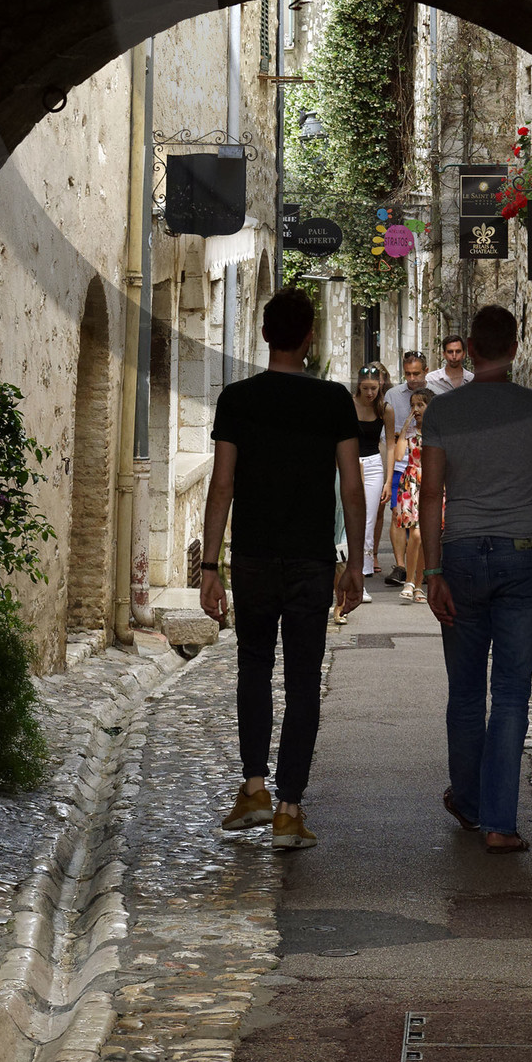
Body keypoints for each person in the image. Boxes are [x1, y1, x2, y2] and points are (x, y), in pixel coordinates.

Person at [200, 288, 365, 850]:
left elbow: (222, 484)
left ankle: (253, 788)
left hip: (250, 556)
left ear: (264, 334)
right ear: (309, 336)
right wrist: (356, 564)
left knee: (252, 668)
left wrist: (208, 564)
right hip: (310, 560)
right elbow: (350, 485)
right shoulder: (333, 402)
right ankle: (290, 810)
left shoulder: (238, 399)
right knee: (302, 682)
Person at [419, 302, 532, 853]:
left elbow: (431, 494)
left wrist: (432, 568)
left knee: (464, 692)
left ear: (472, 348)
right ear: (514, 349)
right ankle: (499, 823)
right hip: (520, 554)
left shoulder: (443, 412)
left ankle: (466, 801)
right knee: (510, 692)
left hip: (460, 555)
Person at [382, 353, 430, 581]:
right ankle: (401, 567)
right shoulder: (393, 395)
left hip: (427, 467)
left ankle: (425, 566)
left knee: (426, 520)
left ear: (426, 371)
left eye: (416, 373)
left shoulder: (435, 396)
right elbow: (389, 438)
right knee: (398, 515)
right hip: (403, 465)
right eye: (408, 374)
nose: (411, 378)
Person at [389, 383, 431, 601]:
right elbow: (398, 456)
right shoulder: (411, 433)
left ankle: (417, 585)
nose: (416, 409)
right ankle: (410, 581)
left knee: (423, 536)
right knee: (414, 533)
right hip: (411, 482)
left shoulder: (437, 432)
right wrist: (405, 427)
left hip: (430, 483)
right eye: (413, 405)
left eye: (421, 405)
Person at [353, 364, 389, 591]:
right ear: (359, 386)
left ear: (380, 386)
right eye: (365, 388)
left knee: (369, 517)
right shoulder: (349, 405)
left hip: (374, 464)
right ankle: (350, 563)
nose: (369, 393)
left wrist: (387, 479)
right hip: (352, 462)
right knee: (351, 515)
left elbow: (392, 444)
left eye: (373, 388)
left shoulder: (385, 409)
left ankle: (364, 569)